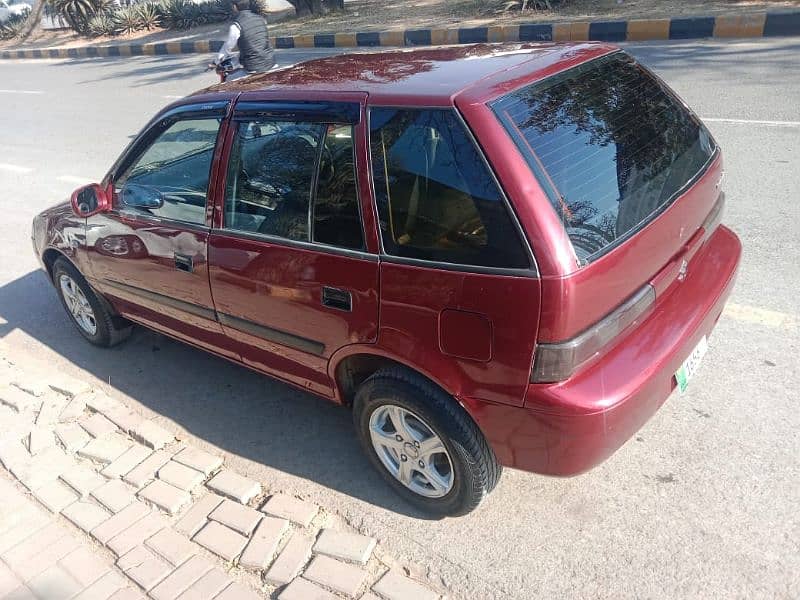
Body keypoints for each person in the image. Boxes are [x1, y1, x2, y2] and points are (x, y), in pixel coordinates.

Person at [210, 0, 275, 81]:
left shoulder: (236, 25)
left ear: (235, 7)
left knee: (228, 79)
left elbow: (227, 48)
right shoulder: (260, 19)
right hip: (270, 63)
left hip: (254, 68)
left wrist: (215, 63)